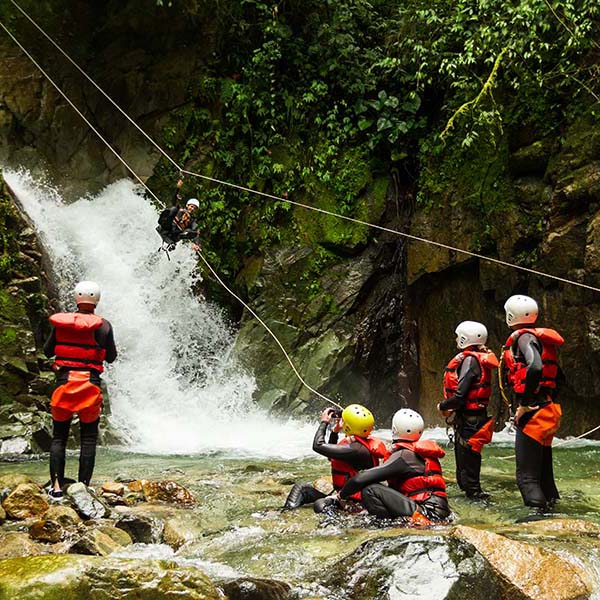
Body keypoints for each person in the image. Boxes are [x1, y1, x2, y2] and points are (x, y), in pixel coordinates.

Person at [43, 281, 117, 500]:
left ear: (76, 299)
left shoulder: (61, 324)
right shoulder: (104, 326)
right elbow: (111, 357)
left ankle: (56, 488)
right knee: (88, 439)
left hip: (64, 384)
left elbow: (48, 351)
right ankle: (83, 487)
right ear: (97, 301)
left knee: (59, 438)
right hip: (89, 386)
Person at [335, 409, 451, 525]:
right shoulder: (418, 454)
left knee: (371, 490)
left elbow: (360, 478)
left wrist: (340, 496)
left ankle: (385, 527)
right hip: (437, 512)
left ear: (394, 429)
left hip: (427, 514)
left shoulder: (403, 456)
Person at [502, 294, 564, 512]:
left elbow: (536, 367)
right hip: (548, 409)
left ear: (511, 315)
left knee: (526, 477)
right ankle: (553, 509)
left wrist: (526, 404)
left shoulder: (524, 338)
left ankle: (537, 515)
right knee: (544, 472)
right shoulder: (541, 339)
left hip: (534, 412)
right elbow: (559, 378)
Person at [283, 404, 389, 513]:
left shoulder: (356, 450)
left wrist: (324, 422)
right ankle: (286, 514)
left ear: (348, 427)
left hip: (353, 502)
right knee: (301, 488)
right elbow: (331, 456)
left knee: (321, 505)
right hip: (344, 496)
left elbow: (318, 445)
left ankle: (335, 524)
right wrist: (335, 432)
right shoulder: (358, 445)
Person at [438, 321, 499, 500]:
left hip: (471, 421)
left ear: (465, 338)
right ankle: (472, 496)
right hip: (470, 418)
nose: (456, 339)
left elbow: (460, 396)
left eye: (458, 336)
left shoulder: (471, 361)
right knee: (466, 468)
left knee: (468, 469)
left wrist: (442, 407)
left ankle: (477, 499)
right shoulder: (476, 358)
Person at [156, 179, 200, 251]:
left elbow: (195, 232)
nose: (192, 209)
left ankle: (170, 245)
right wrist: (178, 188)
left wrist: (196, 244)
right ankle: (162, 221)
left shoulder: (192, 221)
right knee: (173, 209)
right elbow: (174, 200)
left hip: (173, 236)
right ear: (187, 205)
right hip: (166, 228)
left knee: (192, 231)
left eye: (194, 208)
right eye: (191, 206)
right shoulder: (180, 210)